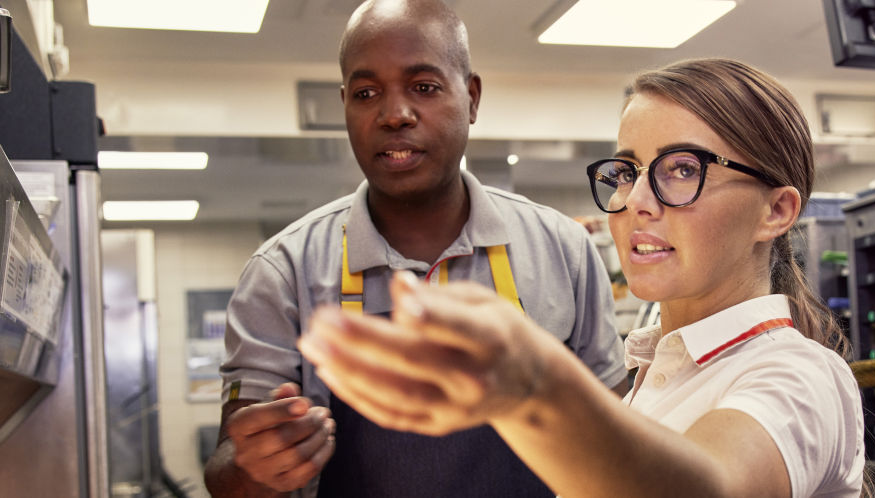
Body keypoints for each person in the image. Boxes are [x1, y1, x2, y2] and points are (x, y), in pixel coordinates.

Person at [300, 57, 868, 497]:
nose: (635, 200)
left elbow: (708, 486)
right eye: (627, 171)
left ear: (776, 211)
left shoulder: (800, 374)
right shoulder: (649, 375)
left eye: (683, 169)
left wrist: (534, 386)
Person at [202, 0, 628, 496]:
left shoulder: (564, 249)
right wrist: (258, 464)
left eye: (423, 87)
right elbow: (225, 472)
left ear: (471, 98)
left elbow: (618, 434)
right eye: (366, 93)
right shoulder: (283, 271)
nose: (394, 114)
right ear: (345, 106)